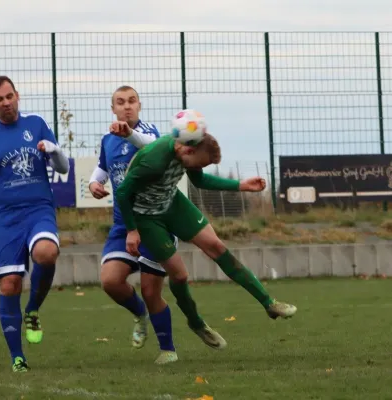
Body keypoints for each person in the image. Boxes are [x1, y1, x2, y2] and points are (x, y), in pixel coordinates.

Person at [116, 133, 297, 350]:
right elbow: (123, 191)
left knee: (218, 247)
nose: (198, 168)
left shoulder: (188, 149)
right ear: (188, 151)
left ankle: (269, 303)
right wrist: (132, 231)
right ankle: (196, 323)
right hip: (146, 218)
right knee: (180, 275)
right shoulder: (154, 162)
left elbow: (199, 180)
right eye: (200, 163)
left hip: (173, 205)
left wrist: (241, 185)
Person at [0, 75, 70, 372]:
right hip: (3, 218)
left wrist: (54, 150)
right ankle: (18, 358)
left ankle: (32, 309)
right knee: (9, 284)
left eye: (9, 97)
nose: (6, 103)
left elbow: (63, 167)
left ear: (17, 95)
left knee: (46, 252)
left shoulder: (36, 123)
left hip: (38, 209)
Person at [88, 85, 177, 364]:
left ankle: (168, 350)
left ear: (140, 105)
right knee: (110, 281)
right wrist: (94, 183)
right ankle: (140, 315)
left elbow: (148, 146)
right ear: (112, 109)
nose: (127, 106)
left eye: (131, 101)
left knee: (152, 291)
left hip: (154, 223)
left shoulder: (151, 133)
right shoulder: (108, 139)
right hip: (123, 224)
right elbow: (103, 167)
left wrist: (130, 134)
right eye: (120, 102)